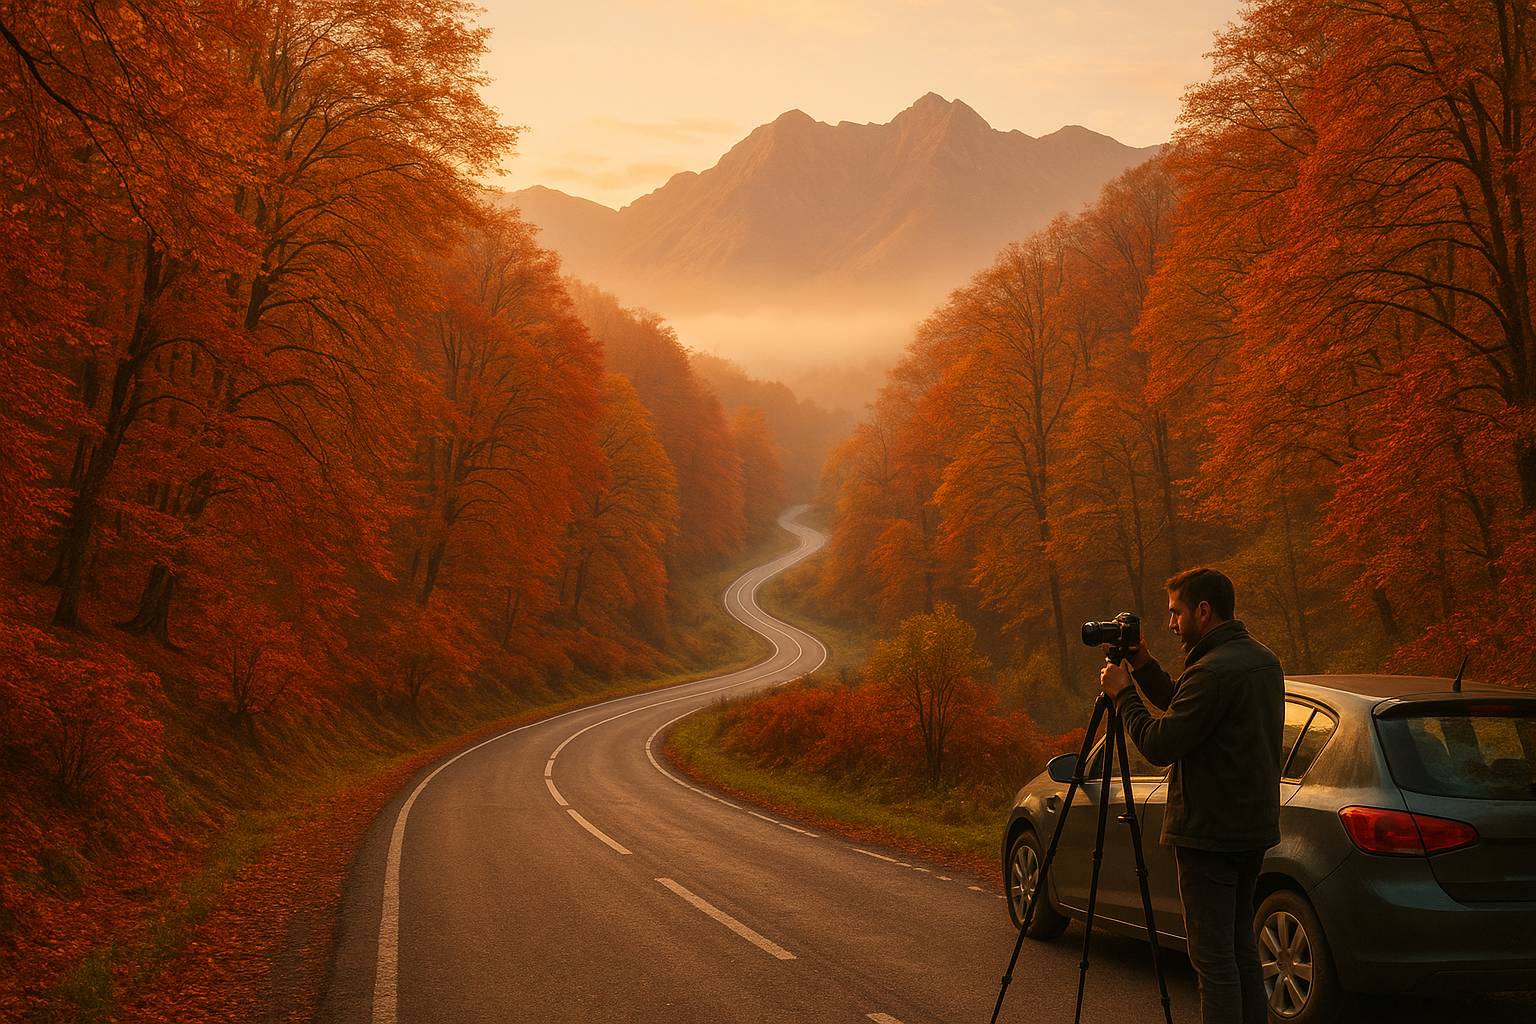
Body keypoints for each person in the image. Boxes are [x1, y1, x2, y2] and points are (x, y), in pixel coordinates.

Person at [1098, 567, 1285, 1024]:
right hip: (1251, 831)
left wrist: (1123, 696)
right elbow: (1189, 705)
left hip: (1209, 834)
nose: (1170, 624)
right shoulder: (1261, 660)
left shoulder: (1214, 671)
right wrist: (1142, 665)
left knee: (1213, 961)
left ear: (1203, 610)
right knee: (1240, 950)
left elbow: (1161, 743)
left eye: (1176, 613)